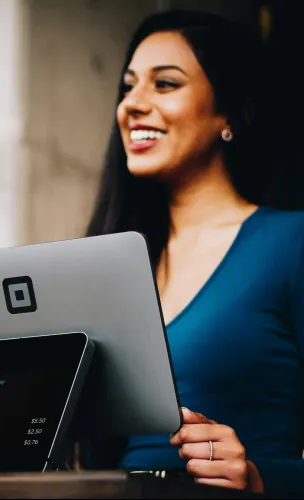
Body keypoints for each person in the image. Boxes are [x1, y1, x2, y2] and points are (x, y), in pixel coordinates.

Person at [84, 9, 304, 498]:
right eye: (128, 86)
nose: (131, 106)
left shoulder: (291, 245)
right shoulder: (110, 264)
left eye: (165, 84)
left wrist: (261, 475)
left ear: (232, 114)